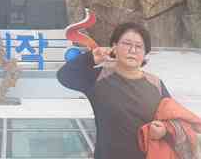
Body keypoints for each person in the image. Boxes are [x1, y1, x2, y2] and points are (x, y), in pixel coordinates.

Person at [57, 22, 171, 159]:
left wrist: (164, 130)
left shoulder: (156, 84)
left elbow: (175, 119)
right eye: (127, 44)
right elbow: (65, 76)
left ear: (145, 53)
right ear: (114, 47)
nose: (132, 50)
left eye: (139, 46)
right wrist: (91, 58)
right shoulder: (99, 77)